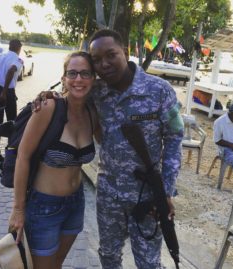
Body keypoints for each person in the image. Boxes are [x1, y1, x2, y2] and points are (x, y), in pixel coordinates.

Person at [34, 29, 184, 269]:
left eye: (111, 55)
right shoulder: (97, 91)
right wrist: (48, 95)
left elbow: (176, 139)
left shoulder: (160, 90)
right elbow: (73, 90)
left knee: (148, 262)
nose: (104, 64)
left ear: (124, 52)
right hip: (109, 194)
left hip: (146, 197)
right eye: (96, 59)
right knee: (109, 255)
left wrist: (165, 192)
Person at [9, 51, 99, 269]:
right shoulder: (48, 108)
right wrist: (19, 209)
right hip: (44, 206)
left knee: (56, 264)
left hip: (76, 203)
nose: (78, 79)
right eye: (73, 73)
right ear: (64, 78)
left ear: (94, 79)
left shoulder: (92, 112)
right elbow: (23, 156)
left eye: (85, 73)